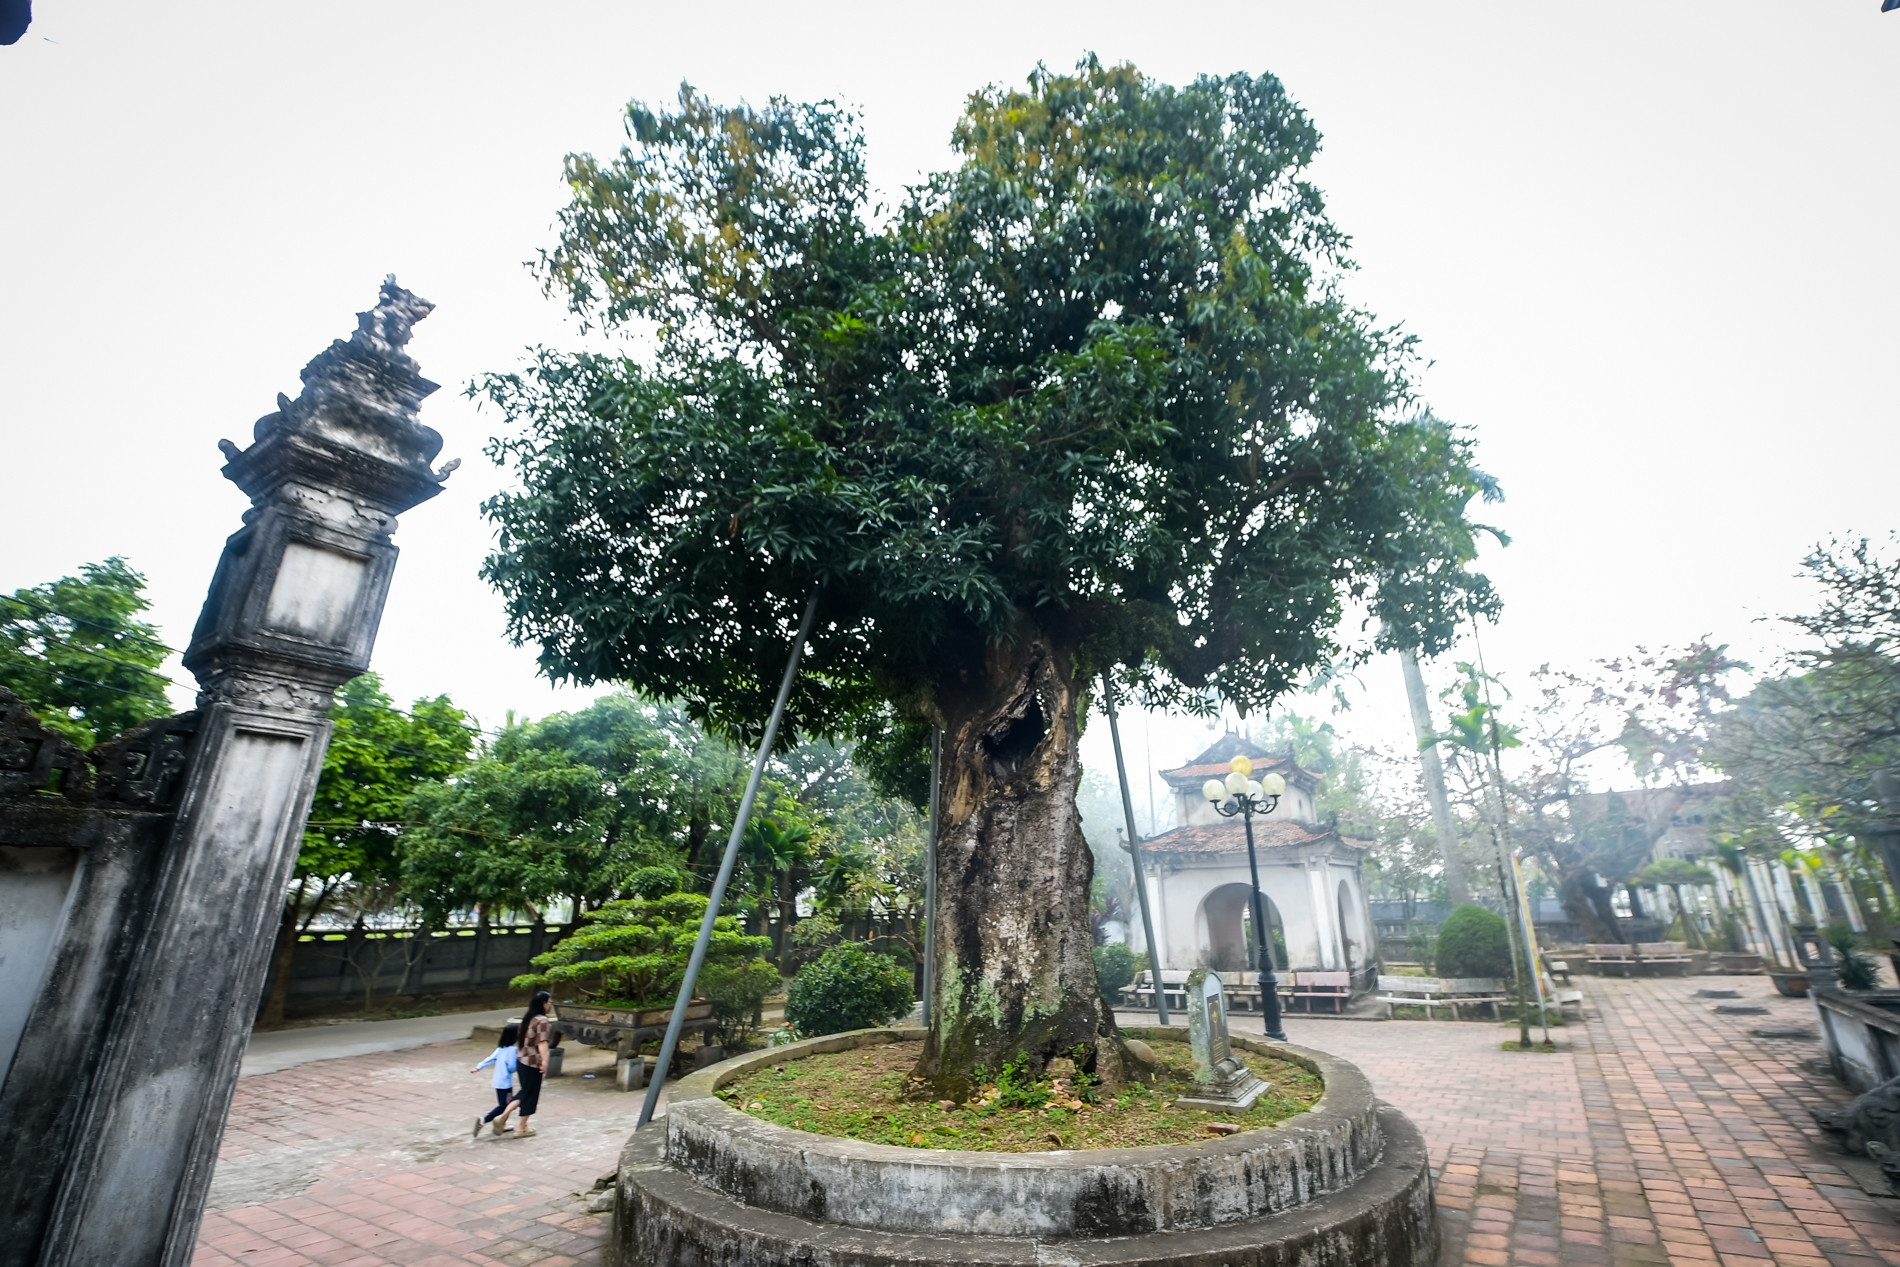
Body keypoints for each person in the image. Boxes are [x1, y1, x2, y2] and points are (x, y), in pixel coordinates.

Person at [494, 991, 552, 1138]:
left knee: (525, 1092)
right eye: (549, 1001)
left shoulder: (528, 1018)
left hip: (521, 1061)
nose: (550, 1004)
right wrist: (545, 1061)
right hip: (533, 1063)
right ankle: (521, 1128)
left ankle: (503, 1117)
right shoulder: (542, 1021)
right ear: (544, 1004)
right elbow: (542, 1043)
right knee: (531, 1095)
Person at [470, 1022, 520, 1138]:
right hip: (506, 1083)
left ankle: (502, 1124)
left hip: (498, 1081)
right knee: (505, 1105)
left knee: (504, 1104)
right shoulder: (513, 1050)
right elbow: (512, 1067)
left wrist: (478, 1067)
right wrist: (520, 1065)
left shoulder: (501, 1048)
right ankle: (484, 1120)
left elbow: (490, 1058)